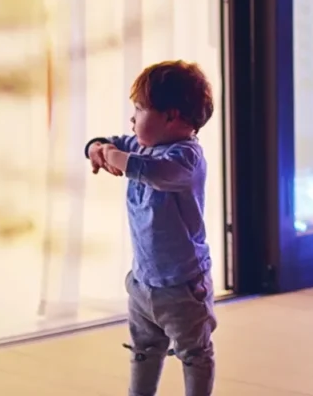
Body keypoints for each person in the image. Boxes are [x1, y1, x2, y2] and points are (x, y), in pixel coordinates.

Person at [85, 60, 217, 396]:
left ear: (171, 116)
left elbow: (152, 171)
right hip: (143, 282)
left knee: (194, 354)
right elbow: (104, 141)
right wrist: (97, 148)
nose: (132, 119)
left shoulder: (186, 158)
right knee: (143, 350)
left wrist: (114, 157)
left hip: (184, 287)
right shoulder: (140, 143)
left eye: (140, 109)